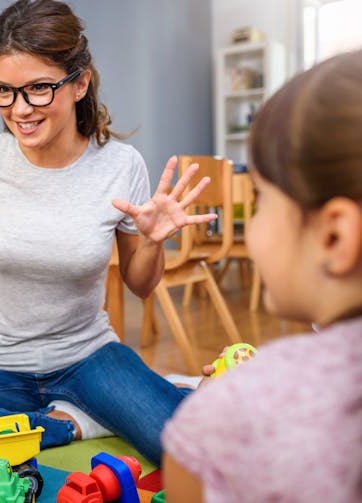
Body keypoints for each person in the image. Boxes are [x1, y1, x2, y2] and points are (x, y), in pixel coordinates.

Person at [0, 0, 215, 466]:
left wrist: (152, 242)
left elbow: (141, 283)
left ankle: (81, 412)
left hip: (89, 357)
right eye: (5, 91)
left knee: (189, 451)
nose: (20, 109)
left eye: (38, 89)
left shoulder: (119, 164)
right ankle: (69, 421)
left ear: (80, 83)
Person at [161, 49, 362, 502]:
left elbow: (186, 477)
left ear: (335, 235)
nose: (251, 221)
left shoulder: (229, 415)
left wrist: (216, 401)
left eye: (260, 200)